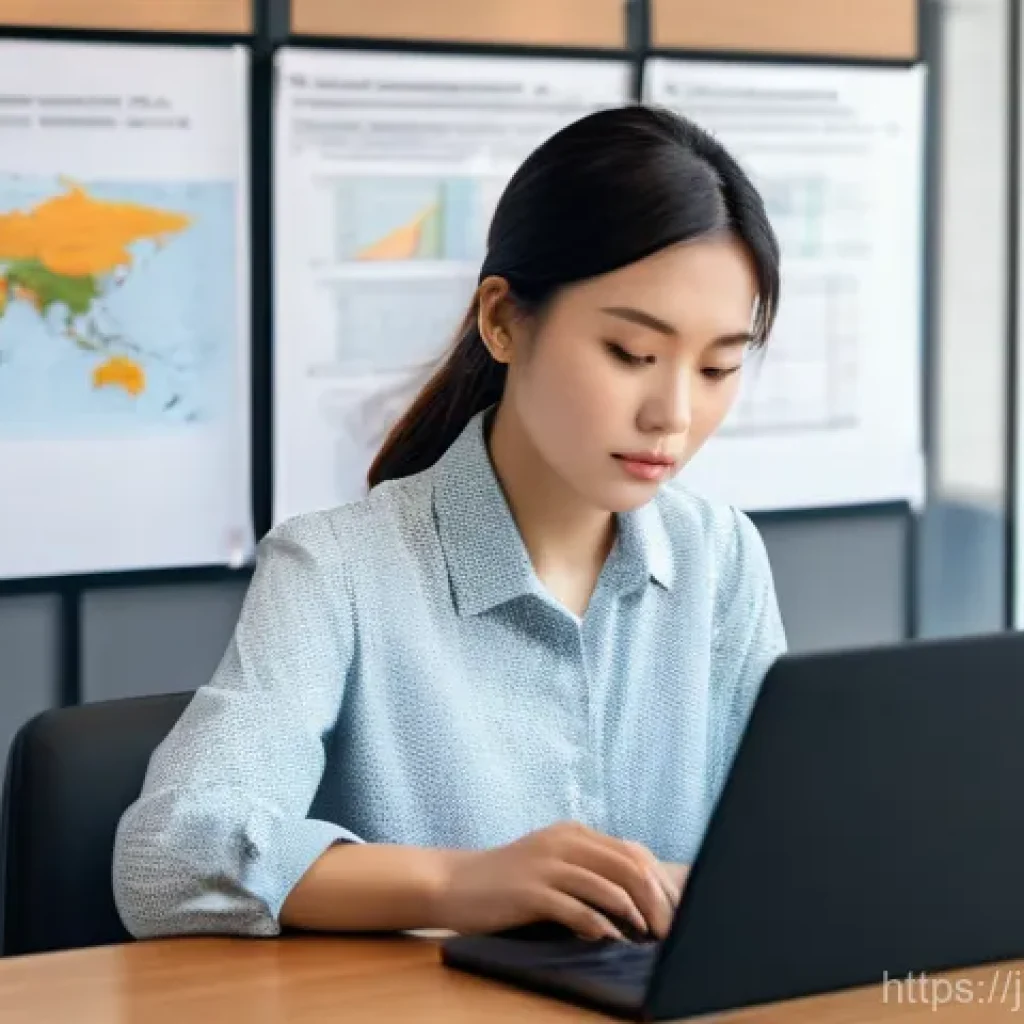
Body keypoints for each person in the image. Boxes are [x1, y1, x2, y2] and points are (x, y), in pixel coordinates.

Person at [112, 104, 786, 945]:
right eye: (631, 354)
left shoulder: (720, 558)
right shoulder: (338, 568)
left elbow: (785, 847)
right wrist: (464, 882)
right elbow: (167, 857)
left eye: (719, 366)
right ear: (502, 321)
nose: (675, 414)